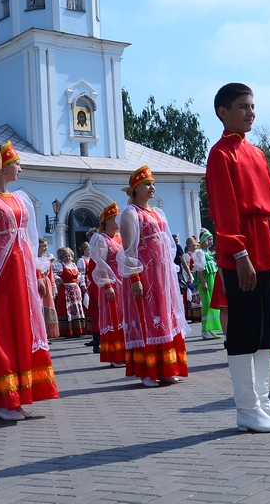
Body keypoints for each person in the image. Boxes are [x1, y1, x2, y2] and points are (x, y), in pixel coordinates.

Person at [205, 83, 270, 433]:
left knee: (264, 331)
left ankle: (264, 402)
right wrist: (239, 252)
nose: (250, 112)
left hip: (267, 248)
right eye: (242, 106)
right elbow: (224, 211)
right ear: (223, 112)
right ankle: (246, 408)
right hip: (242, 251)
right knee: (243, 330)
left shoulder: (257, 153)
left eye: (253, 106)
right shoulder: (221, 154)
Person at [0, 141, 58, 421]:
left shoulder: (20, 199)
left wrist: (38, 273)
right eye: (16, 162)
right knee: (0, 330)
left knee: (22, 331)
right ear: (2, 166)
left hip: (22, 277)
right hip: (0, 277)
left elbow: (29, 241)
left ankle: (18, 397)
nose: (21, 167)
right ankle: (2, 399)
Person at [118, 166, 190, 388]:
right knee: (147, 319)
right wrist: (135, 278)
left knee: (164, 317)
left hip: (162, 277)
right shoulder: (131, 213)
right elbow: (129, 249)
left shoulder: (157, 212)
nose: (151, 187)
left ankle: (167, 368)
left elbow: (168, 246)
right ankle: (147, 371)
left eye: (152, 183)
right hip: (146, 276)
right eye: (146, 184)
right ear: (135, 189)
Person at [89, 202, 126, 366]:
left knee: (125, 317)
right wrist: (108, 285)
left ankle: (126, 351)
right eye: (115, 218)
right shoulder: (101, 239)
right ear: (107, 221)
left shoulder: (121, 237)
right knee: (114, 317)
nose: (118, 221)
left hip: (123, 281)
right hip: (112, 282)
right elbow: (100, 264)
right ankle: (115, 355)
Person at [193, 229, 222, 340]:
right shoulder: (200, 252)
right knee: (207, 304)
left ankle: (210, 329)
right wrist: (204, 282)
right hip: (205, 281)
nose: (211, 241)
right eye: (209, 239)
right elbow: (199, 270)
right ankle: (204, 330)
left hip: (212, 280)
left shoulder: (209, 253)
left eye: (211, 239)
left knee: (212, 304)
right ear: (203, 240)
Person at [55, 248, 87, 339]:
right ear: (62, 257)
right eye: (65, 256)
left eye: (69, 256)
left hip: (75, 289)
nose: (68, 258)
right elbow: (54, 274)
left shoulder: (73, 265)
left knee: (77, 308)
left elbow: (80, 275)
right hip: (66, 289)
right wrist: (58, 278)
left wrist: (80, 282)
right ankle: (67, 331)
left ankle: (78, 330)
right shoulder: (60, 265)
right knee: (67, 309)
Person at [35, 240, 60, 339]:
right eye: (43, 246)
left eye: (46, 246)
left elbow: (51, 276)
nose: (45, 248)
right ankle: (39, 333)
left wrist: (53, 290)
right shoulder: (34, 259)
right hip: (37, 283)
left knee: (48, 306)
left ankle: (46, 334)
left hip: (47, 283)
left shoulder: (47, 260)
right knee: (39, 307)